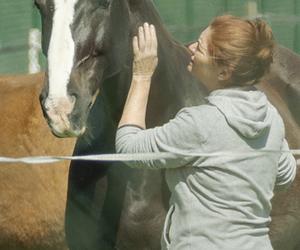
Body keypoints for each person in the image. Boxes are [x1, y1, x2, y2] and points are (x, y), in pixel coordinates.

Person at [115, 15, 297, 250]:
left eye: (199, 47)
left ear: (223, 72)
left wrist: (141, 75)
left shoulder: (199, 123)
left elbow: (129, 149)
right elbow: (285, 176)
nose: (190, 48)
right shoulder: (271, 117)